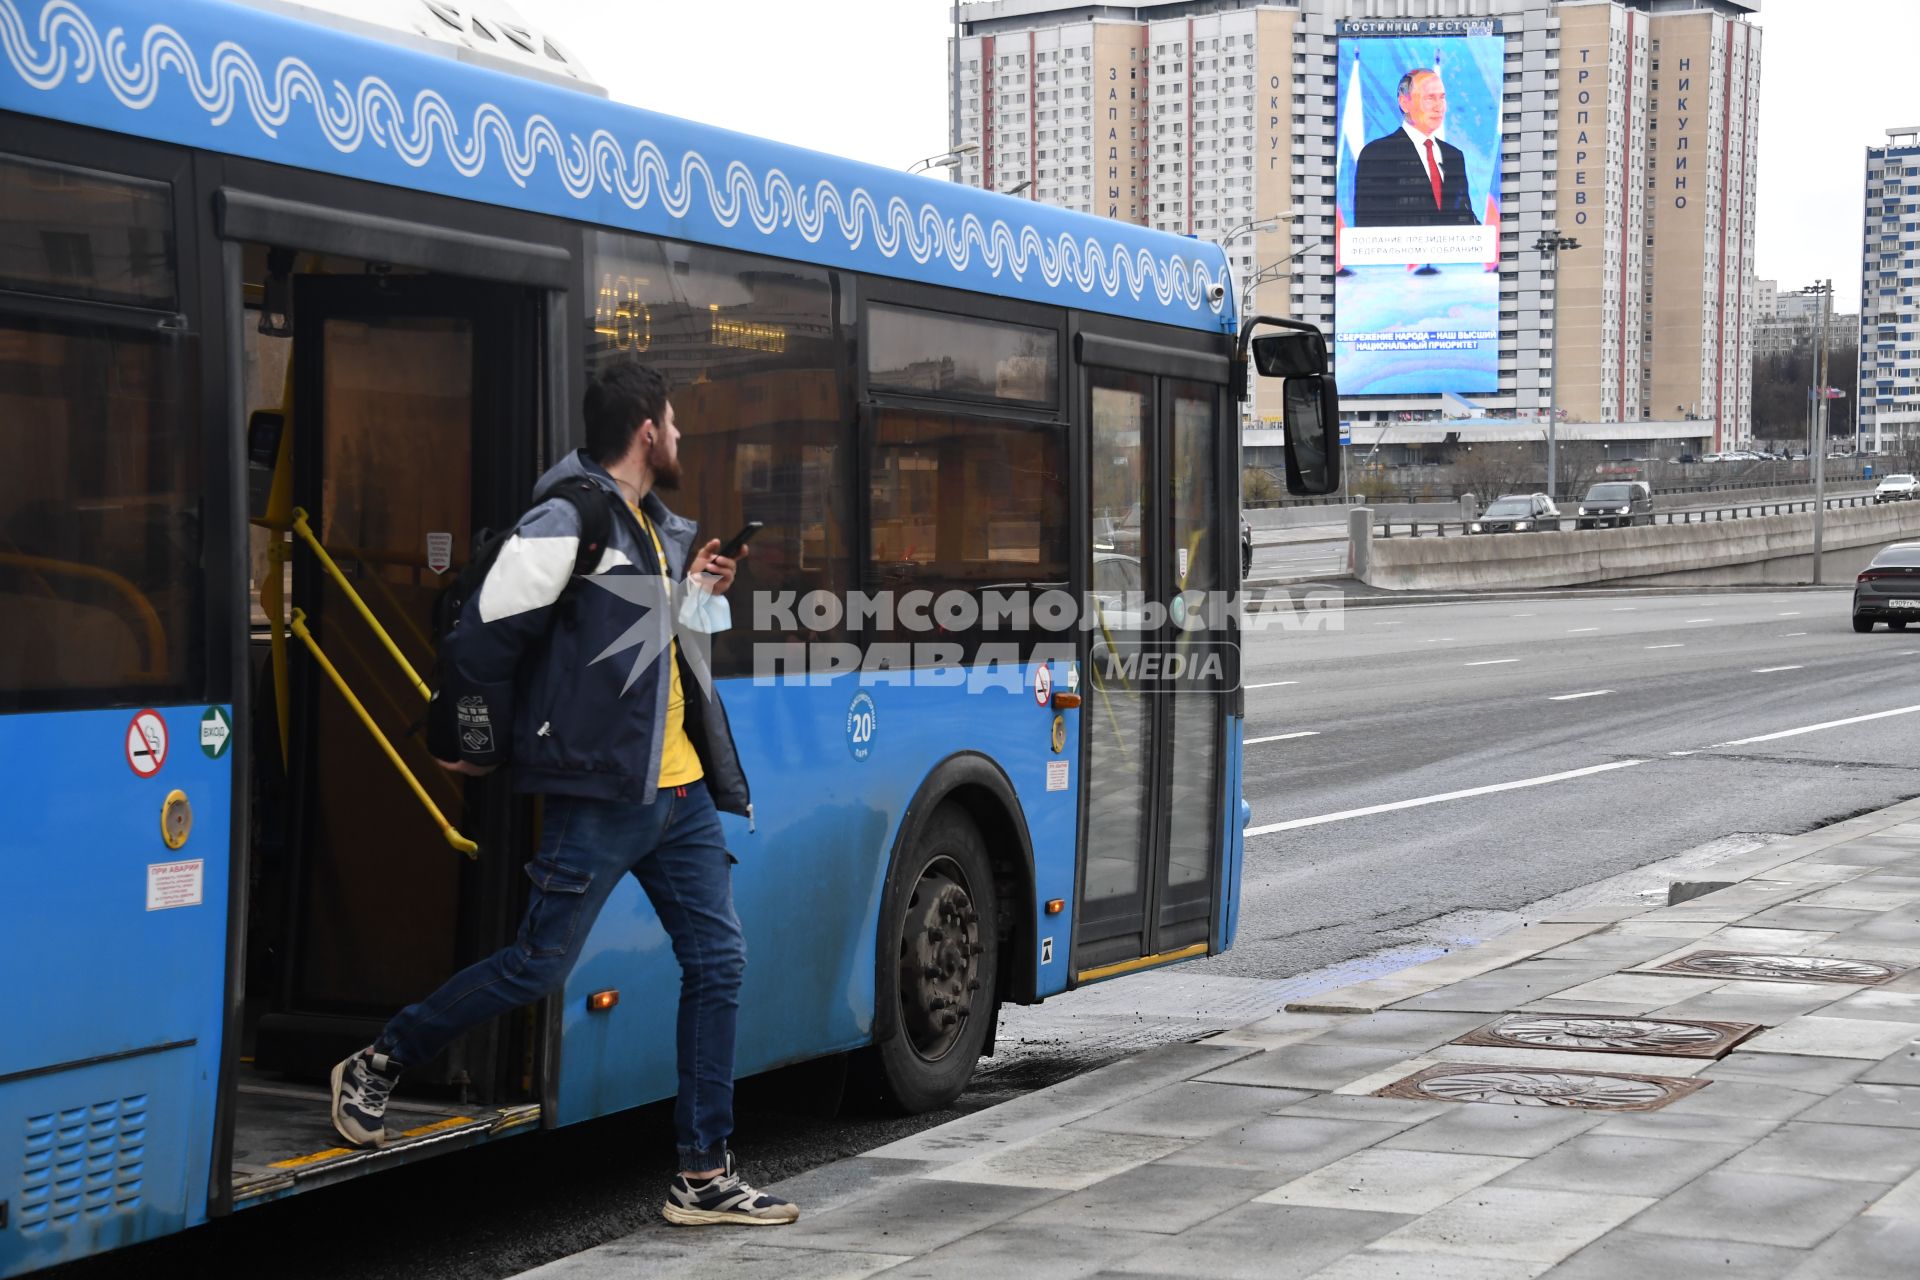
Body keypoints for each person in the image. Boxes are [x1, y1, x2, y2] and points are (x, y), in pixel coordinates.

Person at [327, 356, 798, 1226]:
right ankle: (381, 1060)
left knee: (720, 963)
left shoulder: (653, 526)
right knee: (538, 965)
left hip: (680, 795)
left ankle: (702, 1174)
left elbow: (656, 655)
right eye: (676, 422)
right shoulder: (570, 516)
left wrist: (702, 596)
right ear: (647, 430)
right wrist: (472, 743)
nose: (685, 436)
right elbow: (480, 639)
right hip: (603, 796)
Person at [1352, 68, 1479, 228]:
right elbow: (1368, 223)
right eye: (1430, 98)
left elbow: (1464, 217)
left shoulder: (1454, 156)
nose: (1439, 107)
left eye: (1442, 98)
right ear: (1405, 103)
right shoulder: (1377, 154)